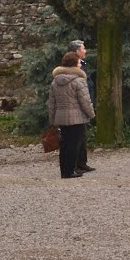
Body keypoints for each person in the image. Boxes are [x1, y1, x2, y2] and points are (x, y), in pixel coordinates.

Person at [48, 50, 95, 179]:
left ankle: (65, 170)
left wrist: (51, 120)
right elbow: (85, 101)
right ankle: (71, 171)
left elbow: (52, 104)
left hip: (61, 118)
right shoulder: (78, 81)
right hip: (77, 118)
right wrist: (91, 114)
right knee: (75, 145)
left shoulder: (55, 81)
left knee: (64, 145)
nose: (81, 64)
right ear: (74, 64)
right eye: (79, 62)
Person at [67, 39, 95, 172]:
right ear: (77, 51)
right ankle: (76, 164)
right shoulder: (73, 68)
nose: (85, 50)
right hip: (76, 107)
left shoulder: (82, 65)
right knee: (76, 137)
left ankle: (82, 162)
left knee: (82, 136)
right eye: (83, 48)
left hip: (83, 105)